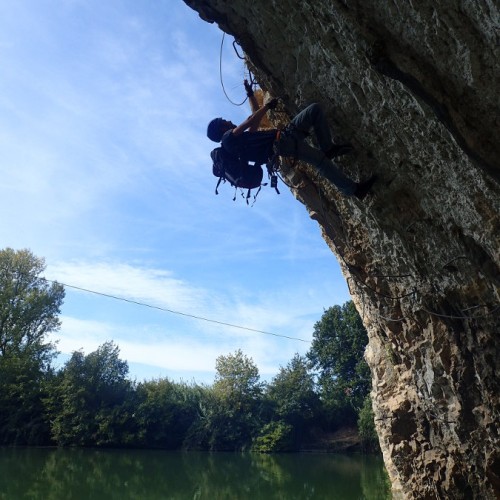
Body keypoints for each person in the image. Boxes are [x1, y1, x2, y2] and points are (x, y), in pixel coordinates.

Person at [207, 85, 376, 200]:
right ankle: (353, 190)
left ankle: (329, 148)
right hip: (282, 143)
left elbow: (255, 124)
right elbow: (250, 121)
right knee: (319, 161)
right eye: (224, 121)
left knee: (314, 111)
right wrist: (267, 106)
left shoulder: (237, 145)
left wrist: (251, 94)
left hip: (284, 138)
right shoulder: (228, 138)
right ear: (221, 128)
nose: (228, 121)